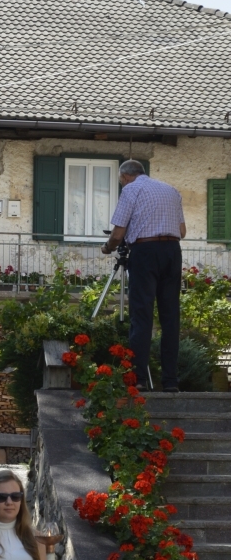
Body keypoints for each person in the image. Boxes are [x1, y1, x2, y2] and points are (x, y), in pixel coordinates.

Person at [102, 159, 186, 392]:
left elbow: (118, 234)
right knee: (170, 318)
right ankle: (170, 382)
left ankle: (137, 378)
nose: (122, 184)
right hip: (172, 251)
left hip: (145, 252)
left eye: (121, 181)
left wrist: (107, 247)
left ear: (126, 177)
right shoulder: (171, 190)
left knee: (142, 314)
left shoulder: (131, 189)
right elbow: (182, 231)